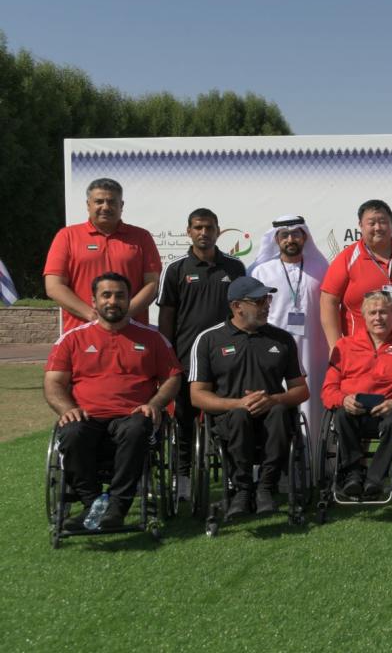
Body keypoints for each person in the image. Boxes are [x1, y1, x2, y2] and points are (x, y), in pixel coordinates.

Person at [44, 272, 182, 531]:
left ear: (129, 300)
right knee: (71, 431)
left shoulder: (152, 338)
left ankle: (118, 506)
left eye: (120, 295)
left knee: (138, 426)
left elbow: (172, 378)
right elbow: (53, 383)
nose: (113, 301)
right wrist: (67, 409)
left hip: (131, 416)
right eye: (106, 295)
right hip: (87, 416)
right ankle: (92, 504)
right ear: (94, 301)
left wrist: (155, 404)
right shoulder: (72, 339)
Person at [190, 276, 309, 517]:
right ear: (237, 306)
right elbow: (197, 395)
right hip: (229, 421)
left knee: (277, 412)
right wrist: (238, 403)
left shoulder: (282, 339)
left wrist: (274, 399)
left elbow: (301, 390)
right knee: (240, 415)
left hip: (272, 418)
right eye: (259, 301)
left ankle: (265, 487)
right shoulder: (209, 339)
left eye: (267, 299)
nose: (267, 305)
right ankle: (242, 489)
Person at [157, 208, 246, 496]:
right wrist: (166, 356)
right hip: (186, 360)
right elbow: (167, 318)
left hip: (227, 358)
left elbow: (243, 314)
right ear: (189, 231)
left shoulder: (235, 268)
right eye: (197, 227)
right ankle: (182, 478)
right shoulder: (176, 269)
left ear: (218, 231)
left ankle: (235, 475)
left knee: (230, 419)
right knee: (184, 420)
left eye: (209, 227)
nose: (203, 233)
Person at [321, 291, 392, 498]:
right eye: (372, 313)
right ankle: (353, 474)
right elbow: (328, 390)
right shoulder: (344, 347)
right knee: (342, 414)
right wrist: (343, 399)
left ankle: (374, 478)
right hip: (355, 411)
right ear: (364, 317)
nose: (378, 318)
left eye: (383, 312)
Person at [249, 215, 330, 449]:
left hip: (314, 350)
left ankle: (314, 463)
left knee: (313, 404)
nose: (290, 239)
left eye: (296, 233)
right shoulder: (261, 271)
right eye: (284, 235)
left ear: (305, 236)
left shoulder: (321, 268)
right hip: (273, 352)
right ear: (276, 239)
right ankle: (276, 463)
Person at [44, 178, 162, 333]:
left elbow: (153, 284)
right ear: (88, 205)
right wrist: (93, 316)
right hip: (82, 333)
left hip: (132, 332)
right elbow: (54, 287)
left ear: (121, 205)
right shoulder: (67, 236)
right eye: (99, 201)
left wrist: (123, 314)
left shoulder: (142, 237)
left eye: (112, 202)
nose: (105, 207)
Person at [320, 199, 392, 355]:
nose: (378, 227)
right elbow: (328, 301)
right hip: (363, 355)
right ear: (360, 225)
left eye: (383, 222)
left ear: (391, 224)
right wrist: (335, 345)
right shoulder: (347, 258)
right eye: (371, 223)